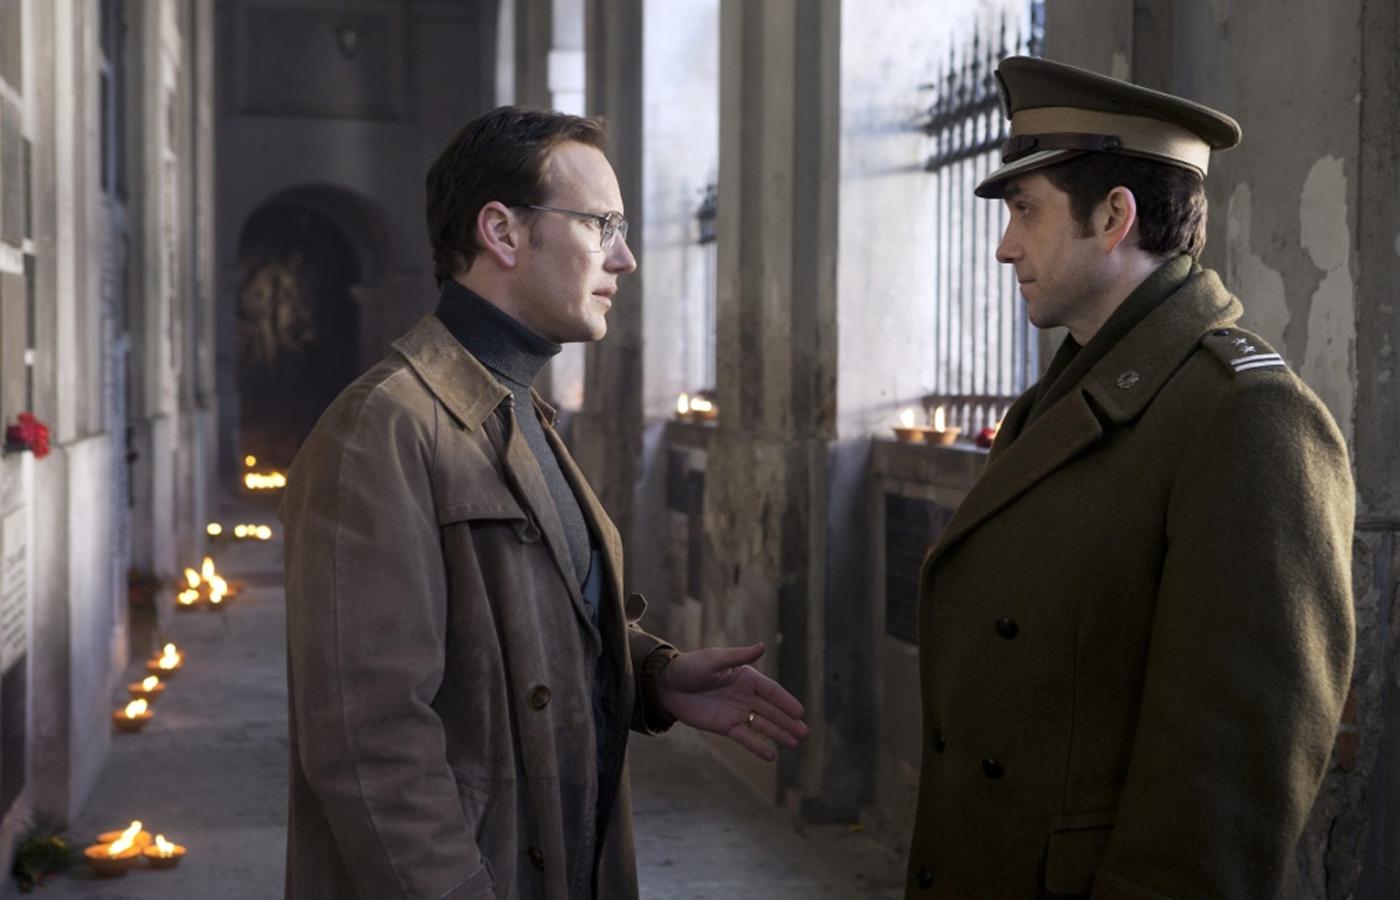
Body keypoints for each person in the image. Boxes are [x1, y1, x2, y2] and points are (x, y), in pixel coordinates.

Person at [280, 106, 809, 900]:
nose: (626, 258)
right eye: (602, 226)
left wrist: (649, 675)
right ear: (502, 231)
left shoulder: (517, 405)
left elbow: (518, 621)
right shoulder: (382, 430)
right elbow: (370, 743)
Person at [905, 57, 1354, 899]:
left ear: (1115, 217)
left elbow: (1227, 784)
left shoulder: (1246, 416)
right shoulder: (1063, 399)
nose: (1004, 247)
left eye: (1026, 211)